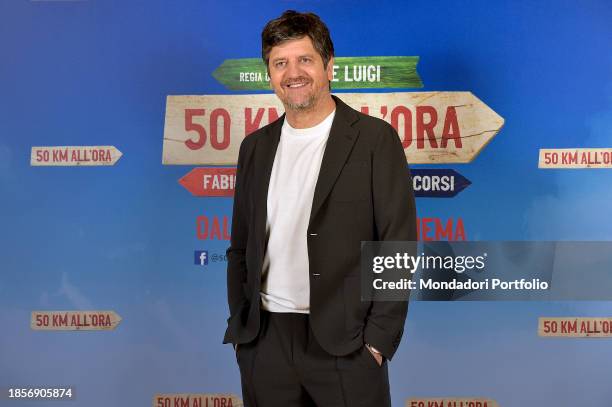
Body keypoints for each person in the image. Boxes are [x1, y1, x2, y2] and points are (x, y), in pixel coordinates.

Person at [223, 10, 417, 407]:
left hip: (347, 344)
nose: (293, 73)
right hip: (265, 342)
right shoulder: (254, 148)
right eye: (280, 63)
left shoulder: (374, 141)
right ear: (270, 74)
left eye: (304, 60)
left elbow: (397, 245)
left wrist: (377, 342)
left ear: (329, 67)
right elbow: (240, 246)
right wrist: (243, 329)